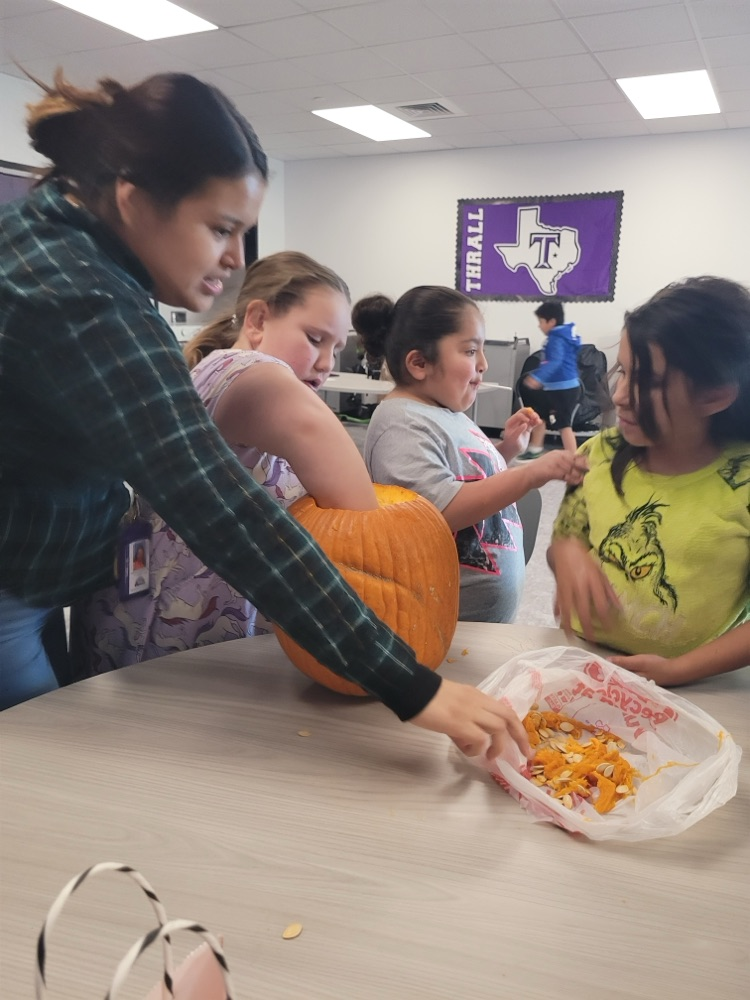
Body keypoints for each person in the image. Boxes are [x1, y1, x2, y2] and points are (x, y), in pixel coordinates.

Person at [0, 70, 530, 762]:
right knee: (42, 762)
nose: (234, 258)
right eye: (220, 228)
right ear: (134, 199)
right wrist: (411, 686)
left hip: (41, 572)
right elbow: (224, 511)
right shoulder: (80, 298)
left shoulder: (64, 237)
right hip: (11, 587)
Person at [72, 251, 380, 670]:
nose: (326, 364)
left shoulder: (211, 367)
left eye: (337, 347)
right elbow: (366, 520)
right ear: (257, 320)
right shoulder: (257, 375)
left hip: (142, 606)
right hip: (183, 633)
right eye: (314, 339)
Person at [549, 276, 750, 686]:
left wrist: (679, 670)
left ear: (714, 395)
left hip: (696, 681)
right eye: (623, 371)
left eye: (646, 381)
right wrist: (567, 555)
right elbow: (566, 537)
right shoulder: (598, 453)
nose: (619, 396)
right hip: (584, 659)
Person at [353, 286, 588, 624]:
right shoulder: (400, 422)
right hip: (440, 623)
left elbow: (466, 480)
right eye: (470, 351)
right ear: (419, 363)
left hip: (478, 619)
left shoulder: (446, 411)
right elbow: (436, 511)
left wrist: (507, 450)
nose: (484, 363)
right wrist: (527, 475)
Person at [517, 300, 581, 458]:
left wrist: (538, 377)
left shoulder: (556, 338)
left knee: (564, 425)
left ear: (551, 321)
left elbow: (555, 361)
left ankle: (573, 458)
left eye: (541, 321)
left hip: (564, 389)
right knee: (540, 416)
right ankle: (535, 449)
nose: (539, 326)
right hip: (555, 388)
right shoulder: (561, 336)